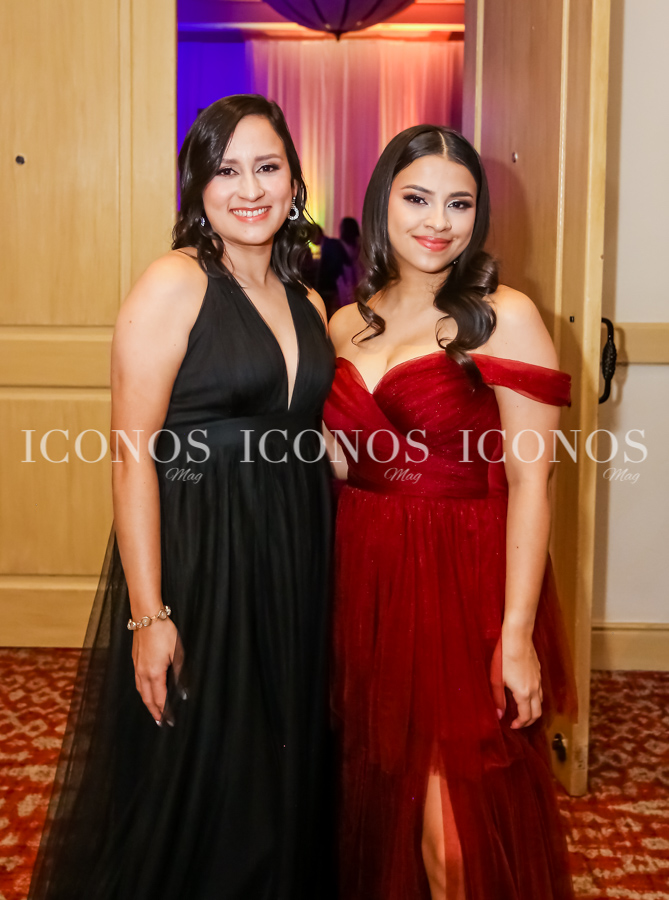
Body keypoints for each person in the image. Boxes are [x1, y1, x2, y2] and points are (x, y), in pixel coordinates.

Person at [29, 94, 335, 900]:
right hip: (205, 559)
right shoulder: (175, 283)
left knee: (277, 759)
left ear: (294, 181)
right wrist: (148, 615)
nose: (250, 189)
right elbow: (131, 457)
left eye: (267, 167)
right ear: (197, 185)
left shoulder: (308, 302)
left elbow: (316, 438)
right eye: (226, 170)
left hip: (294, 556)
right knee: (206, 772)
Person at [323, 125, 578, 900]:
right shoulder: (345, 322)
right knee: (383, 794)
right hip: (366, 575)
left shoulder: (503, 315)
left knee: (454, 836)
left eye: (459, 204)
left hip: (461, 581)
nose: (438, 221)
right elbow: (341, 464)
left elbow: (530, 483)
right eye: (416, 198)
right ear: (382, 202)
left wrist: (515, 634)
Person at [317, 217, 361, 318]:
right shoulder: (359, 245)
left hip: (340, 283)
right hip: (355, 281)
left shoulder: (334, 245)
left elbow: (330, 268)